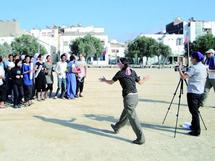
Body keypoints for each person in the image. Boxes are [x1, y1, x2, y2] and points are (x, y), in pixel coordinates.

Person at [99, 58, 149, 145]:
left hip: (129, 99)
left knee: (133, 119)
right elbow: (140, 82)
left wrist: (104, 80)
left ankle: (141, 139)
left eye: (118, 62)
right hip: (135, 97)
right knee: (125, 114)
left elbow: (111, 82)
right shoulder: (132, 71)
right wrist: (145, 79)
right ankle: (116, 127)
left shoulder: (120, 73)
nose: (117, 64)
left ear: (122, 64)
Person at [179, 51, 207, 136]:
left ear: (195, 59)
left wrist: (180, 69)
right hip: (200, 92)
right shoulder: (203, 66)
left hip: (193, 92)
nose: (190, 59)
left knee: (194, 112)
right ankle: (193, 126)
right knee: (195, 111)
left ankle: (196, 131)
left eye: (191, 58)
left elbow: (183, 77)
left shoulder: (194, 68)